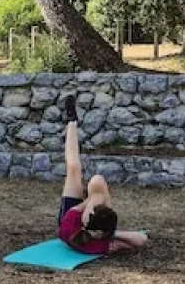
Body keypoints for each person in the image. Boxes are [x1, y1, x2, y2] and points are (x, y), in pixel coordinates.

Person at [55, 94, 149, 256]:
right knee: (97, 181)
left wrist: (91, 202)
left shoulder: (68, 226)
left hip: (73, 216)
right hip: (95, 218)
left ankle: (71, 123)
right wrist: (112, 233)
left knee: (73, 168)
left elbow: (89, 203)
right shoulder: (102, 243)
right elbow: (141, 239)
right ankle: (72, 122)